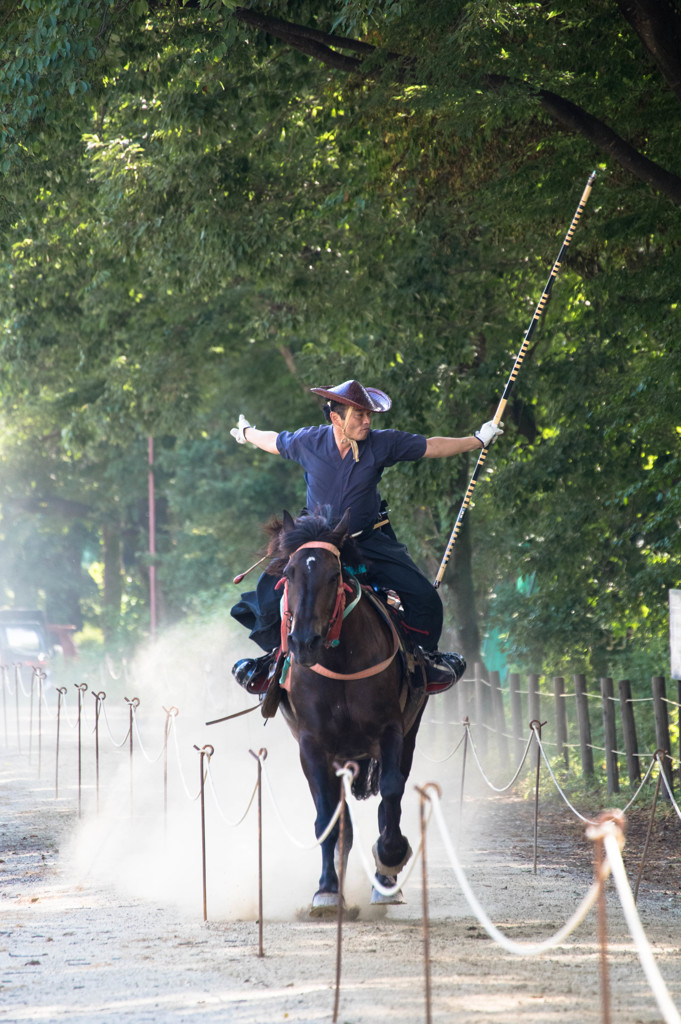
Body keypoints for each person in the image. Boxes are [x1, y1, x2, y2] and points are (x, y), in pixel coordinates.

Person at [229, 379, 502, 693]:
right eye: (359, 415)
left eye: (369, 415)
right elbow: (273, 440)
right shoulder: (309, 442)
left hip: (368, 542)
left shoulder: (381, 443)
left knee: (425, 597)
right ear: (336, 418)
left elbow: (432, 446)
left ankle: (423, 660)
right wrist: (247, 433)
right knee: (267, 597)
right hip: (318, 543)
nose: (367, 421)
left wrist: (477, 440)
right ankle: (273, 660)